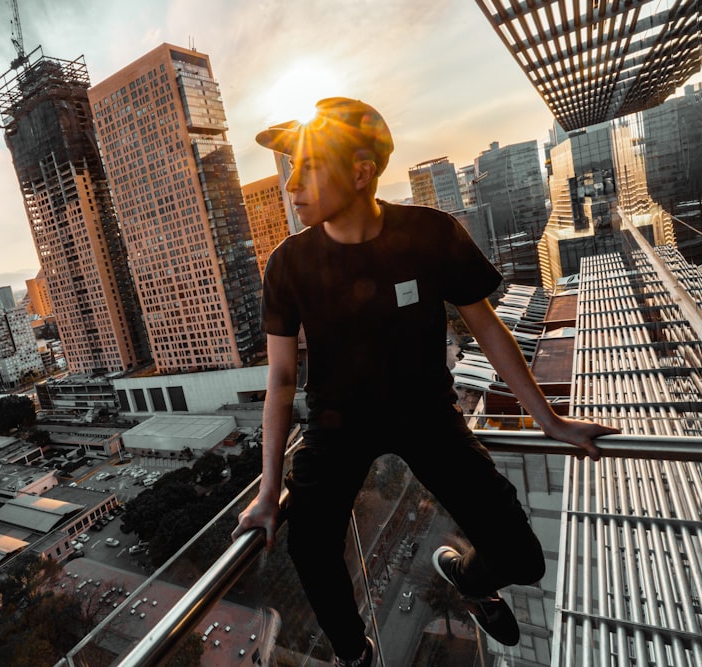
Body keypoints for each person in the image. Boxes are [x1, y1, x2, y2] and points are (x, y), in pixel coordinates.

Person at [231, 97, 619, 667]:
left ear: (361, 171)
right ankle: (357, 657)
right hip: (338, 427)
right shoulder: (289, 264)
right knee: (310, 548)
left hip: (428, 417)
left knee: (523, 558)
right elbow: (282, 379)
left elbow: (486, 328)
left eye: (307, 168)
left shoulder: (430, 232)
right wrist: (268, 492)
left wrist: (550, 420)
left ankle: (467, 576)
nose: (292, 186)